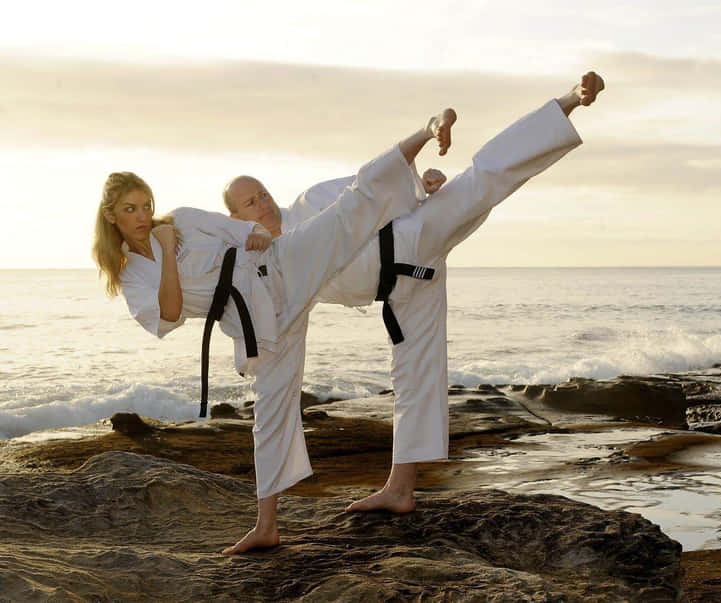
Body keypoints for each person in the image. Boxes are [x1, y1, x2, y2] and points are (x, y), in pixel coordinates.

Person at [223, 71, 604, 519]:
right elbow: (262, 325)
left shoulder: (308, 203)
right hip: (404, 292)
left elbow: (372, 185)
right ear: (234, 216)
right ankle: (400, 490)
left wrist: (423, 183)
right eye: (250, 203)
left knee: (484, 179)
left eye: (263, 194)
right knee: (414, 375)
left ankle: (569, 100)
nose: (263, 203)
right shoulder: (266, 267)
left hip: (411, 240)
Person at [92, 107, 457, 555]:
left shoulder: (183, 219)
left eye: (147, 204)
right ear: (112, 217)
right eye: (131, 209)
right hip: (257, 325)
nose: (144, 215)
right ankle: (266, 526)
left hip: (278, 272)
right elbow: (168, 315)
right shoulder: (130, 276)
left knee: (351, 208)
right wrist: (168, 253)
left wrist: (258, 234)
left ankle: (426, 130)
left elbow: (239, 230)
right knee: (270, 415)